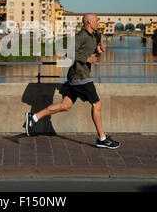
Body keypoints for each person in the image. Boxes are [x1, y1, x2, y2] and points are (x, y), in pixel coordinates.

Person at [25, 13, 120, 149]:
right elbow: (69, 52)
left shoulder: (94, 36)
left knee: (66, 105)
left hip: (78, 77)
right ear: (88, 22)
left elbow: (89, 53)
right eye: (96, 20)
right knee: (97, 105)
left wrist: (98, 51)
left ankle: (33, 118)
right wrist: (86, 59)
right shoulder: (80, 36)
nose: (98, 22)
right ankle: (102, 138)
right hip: (80, 77)